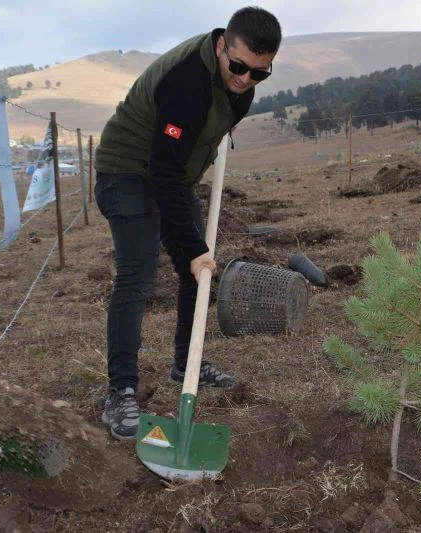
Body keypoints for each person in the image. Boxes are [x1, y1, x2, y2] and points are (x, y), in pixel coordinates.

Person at [94, 7, 282, 439]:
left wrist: (194, 251)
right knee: (137, 274)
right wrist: (194, 247)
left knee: (197, 271)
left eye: (259, 73)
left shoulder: (240, 84)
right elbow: (162, 169)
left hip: (170, 175)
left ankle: (185, 363)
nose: (245, 80)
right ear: (221, 45)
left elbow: (183, 158)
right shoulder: (187, 82)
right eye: (238, 67)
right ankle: (121, 390)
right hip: (127, 171)